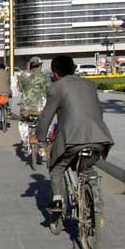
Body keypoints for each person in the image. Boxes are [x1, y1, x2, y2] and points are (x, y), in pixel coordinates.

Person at [32, 55, 114, 212]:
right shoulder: (90, 85)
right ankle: (93, 193)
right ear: (74, 68)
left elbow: (46, 117)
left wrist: (39, 137)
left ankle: (57, 200)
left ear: (55, 73)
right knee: (87, 167)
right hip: (99, 137)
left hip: (72, 139)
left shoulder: (57, 87)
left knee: (57, 167)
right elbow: (98, 110)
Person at [17, 56, 52, 154]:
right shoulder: (45, 76)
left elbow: (19, 89)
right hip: (41, 108)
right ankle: (43, 142)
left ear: (30, 66)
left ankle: (25, 141)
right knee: (45, 122)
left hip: (26, 108)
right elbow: (50, 91)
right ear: (40, 66)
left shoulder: (23, 75)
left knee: (23, 122)